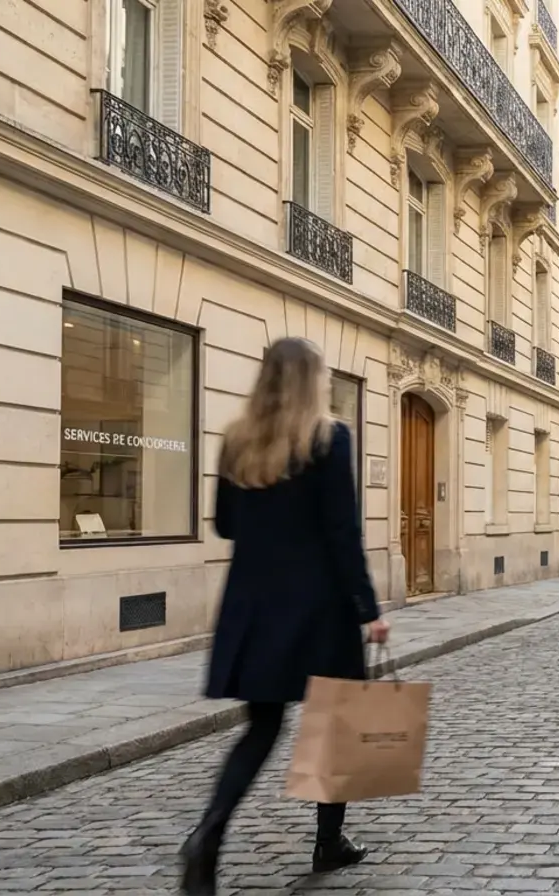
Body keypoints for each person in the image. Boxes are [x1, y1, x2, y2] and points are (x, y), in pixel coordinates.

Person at [180, 337, 390, 896]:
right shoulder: (328, 438)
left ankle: (207, 835)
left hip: (253, 605)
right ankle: (329, 841)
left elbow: (224, 524)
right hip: (319, 605)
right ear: (312, 381)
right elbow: (342, 532)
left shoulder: (236, 442)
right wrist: (369, 609)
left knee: (262, 726)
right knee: (336, 724)